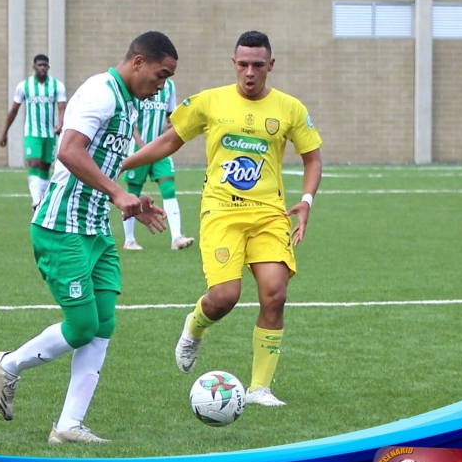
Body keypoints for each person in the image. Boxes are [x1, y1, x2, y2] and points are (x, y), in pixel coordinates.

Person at [0, 31, 177, 443]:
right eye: (161, 75)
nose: (162, 86)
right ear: (139, 62)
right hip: (61, 228)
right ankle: (8, 364)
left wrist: (133, 203)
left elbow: (97, 167)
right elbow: (69, 152)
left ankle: (69, 425)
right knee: (81, 326)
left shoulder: (127, 104)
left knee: (103, 324)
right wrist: (117, 191)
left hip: (94, 229)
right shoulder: (101, 92)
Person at [121, 31, 322, 407]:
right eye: (243, 64)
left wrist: (306, 200)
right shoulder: (209, 102)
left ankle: (259, 387)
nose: (250, 72)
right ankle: (194, 327)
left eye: (258, 65)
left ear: (270, 66)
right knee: (225, 297)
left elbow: (313, 157)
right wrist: (120, 164)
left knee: (275, 294)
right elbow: (168, 141)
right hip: (222, 212)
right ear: (234, 64)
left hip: (268, 214)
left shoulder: (290, 108)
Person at [121, 79, 195, 251]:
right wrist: (141, 145)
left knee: (168, 188)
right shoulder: (139, 84)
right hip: (137, 149)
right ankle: (129, 240)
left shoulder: (169, 86)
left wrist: (172, 129)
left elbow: (171, 115)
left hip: (160, 149)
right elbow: (131, 121)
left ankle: (177, 237)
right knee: (133, 192)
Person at [0, 54, 67, 209]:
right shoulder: (24, 86)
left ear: (48, 68)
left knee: (44, 166)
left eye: (45, 65)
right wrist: (4, 132)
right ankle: (36, 200)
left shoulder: (57, 86)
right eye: (39, 65)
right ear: (34, 67)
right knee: (34, 162)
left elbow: (62, 107)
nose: (42, 68)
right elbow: (14, 110)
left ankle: (40, 200)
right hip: (32, 133)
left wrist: (60, 123)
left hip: (49, 134)